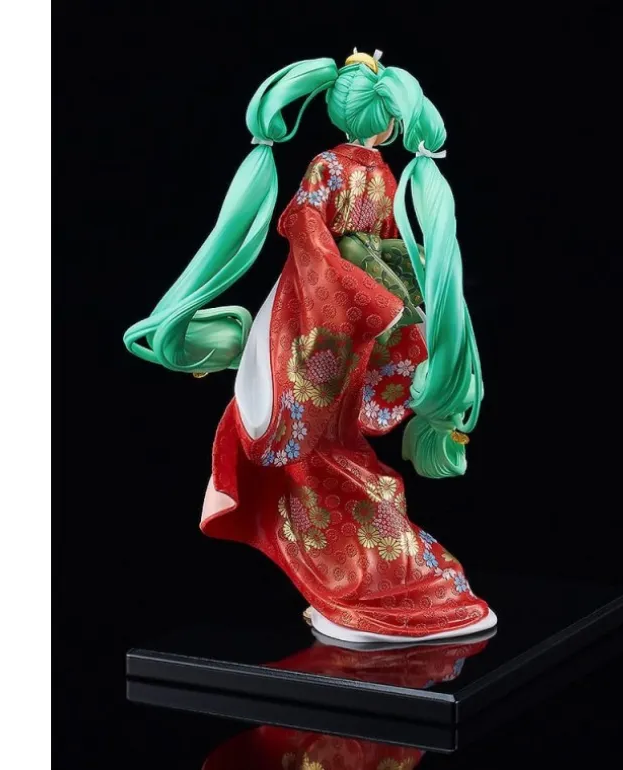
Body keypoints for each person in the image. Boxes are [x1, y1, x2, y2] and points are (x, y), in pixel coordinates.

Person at [124, 50, 496, 642]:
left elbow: (330, 233)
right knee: (311, 437)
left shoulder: (340, 168)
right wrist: (369, 295)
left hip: (332, 318)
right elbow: (327, 236)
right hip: (329, 314)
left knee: (312, 440)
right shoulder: (371, 174)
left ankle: (360, 572)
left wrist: (370, 296)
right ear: (386, 123)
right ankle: (362, 568)